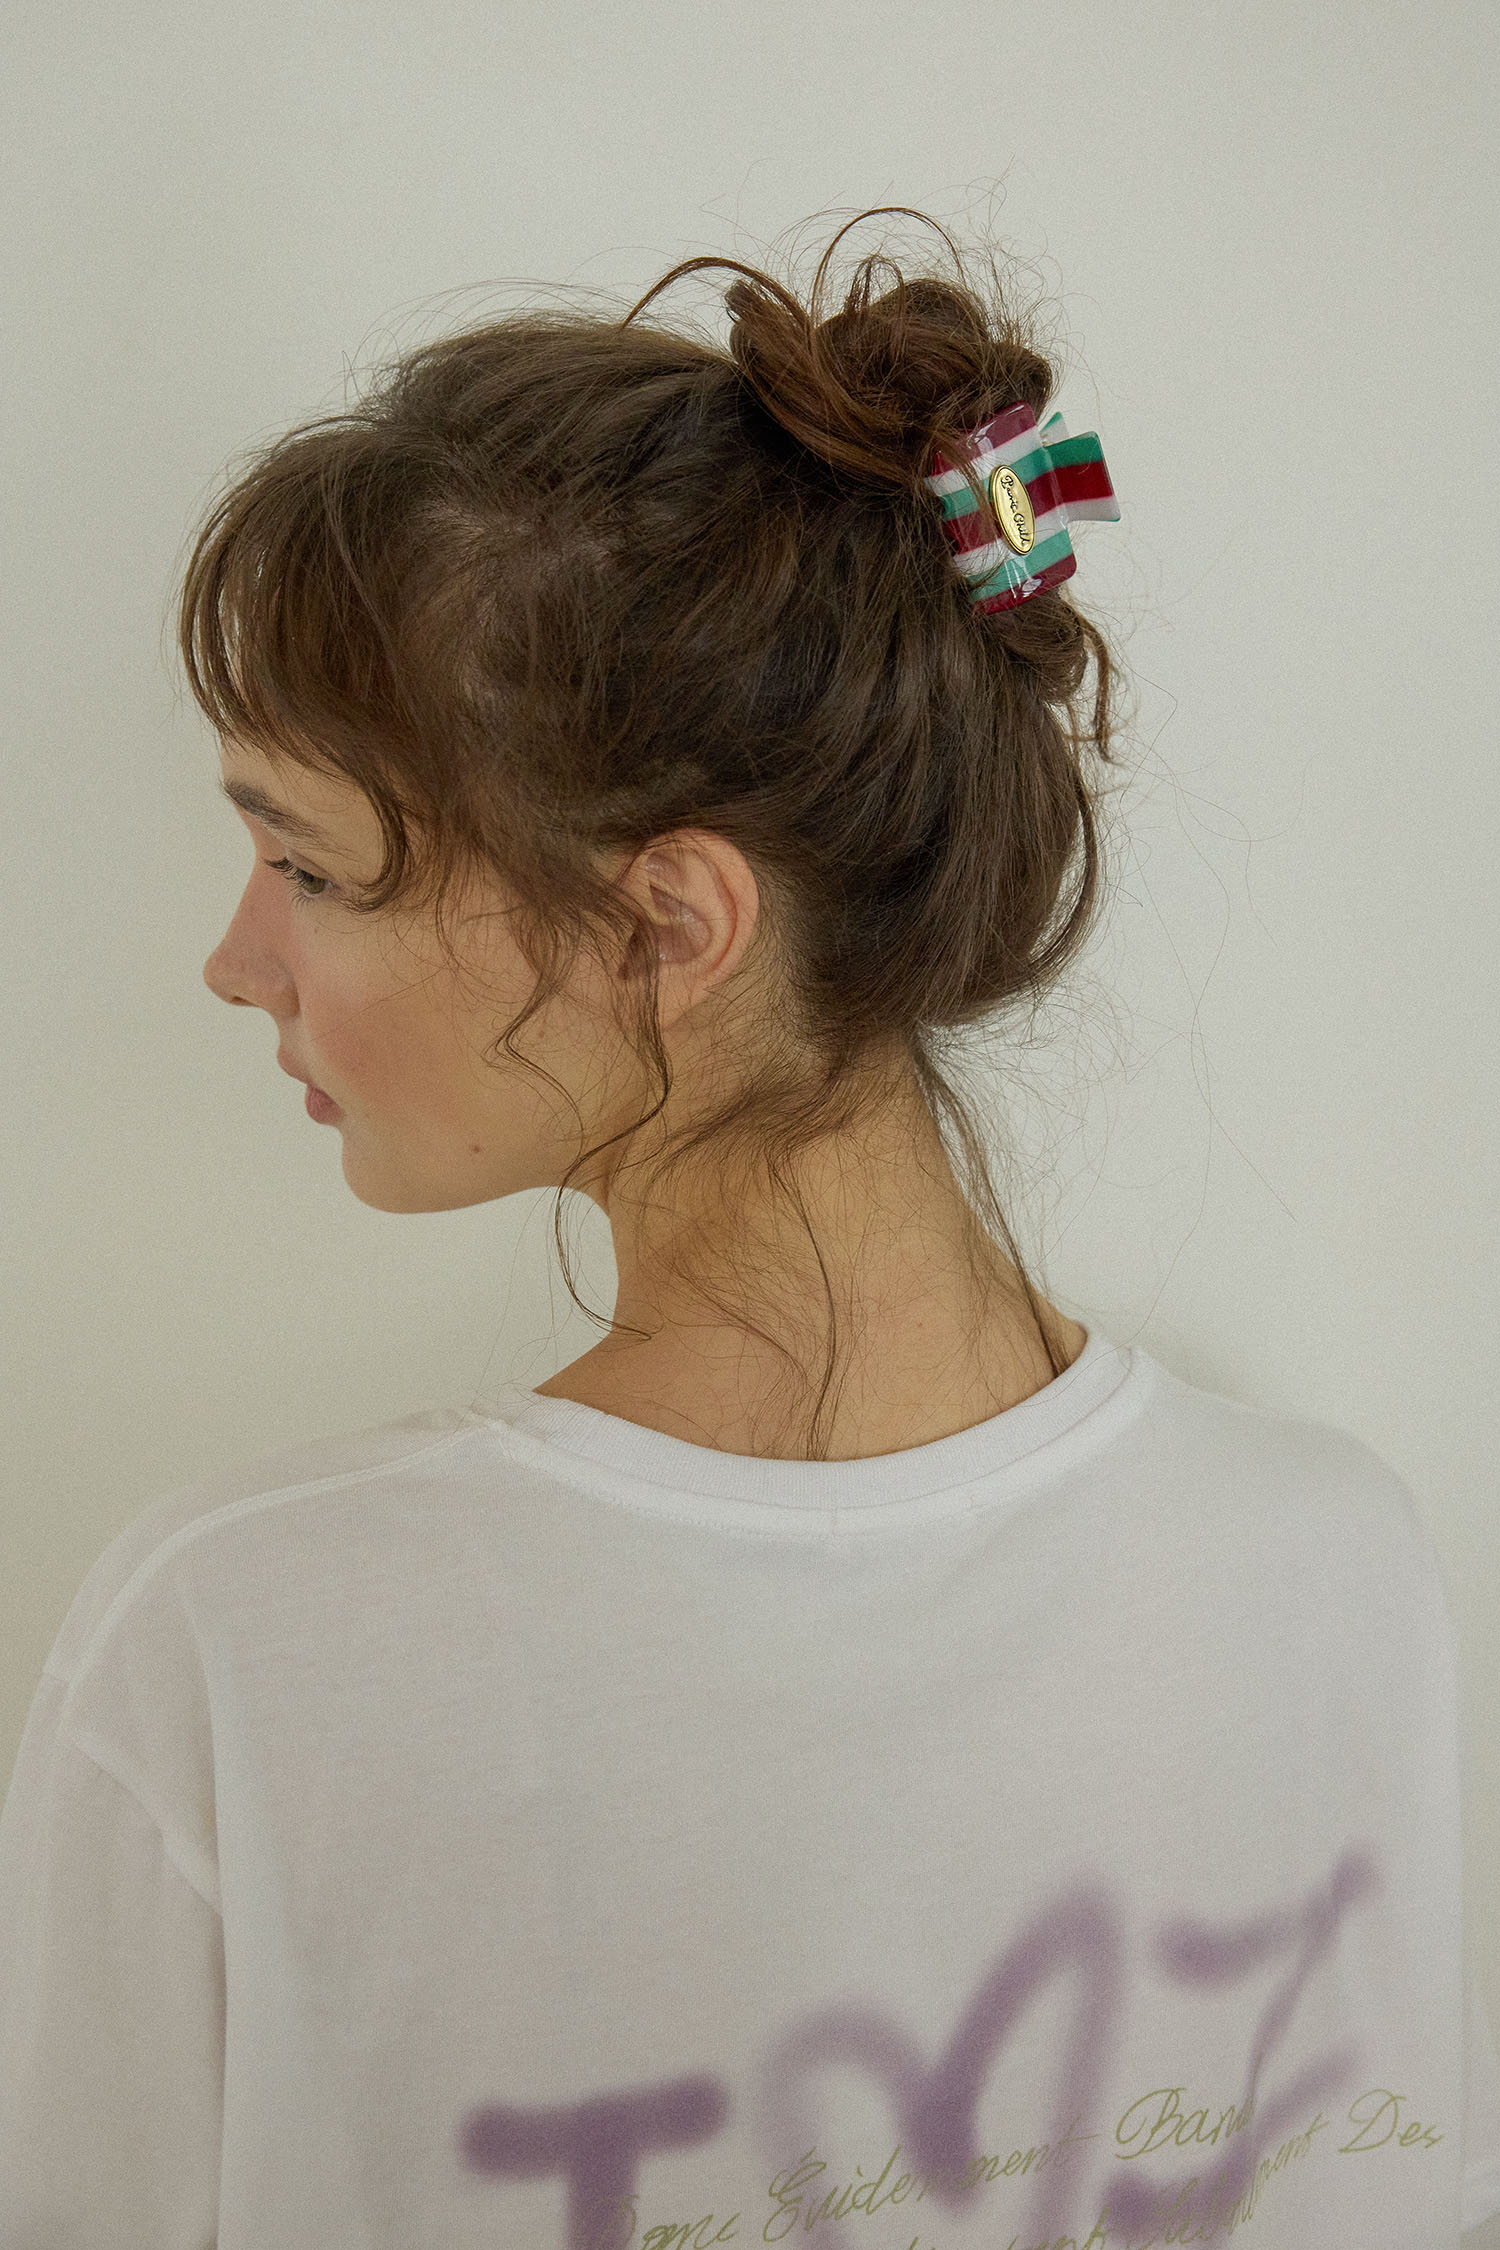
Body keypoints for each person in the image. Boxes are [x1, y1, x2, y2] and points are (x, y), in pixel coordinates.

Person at [1, 205, 1497, 2247]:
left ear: (665, 922)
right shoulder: (1330, 1566)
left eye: (312, 869)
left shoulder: (246, 1652)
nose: (233, 961)